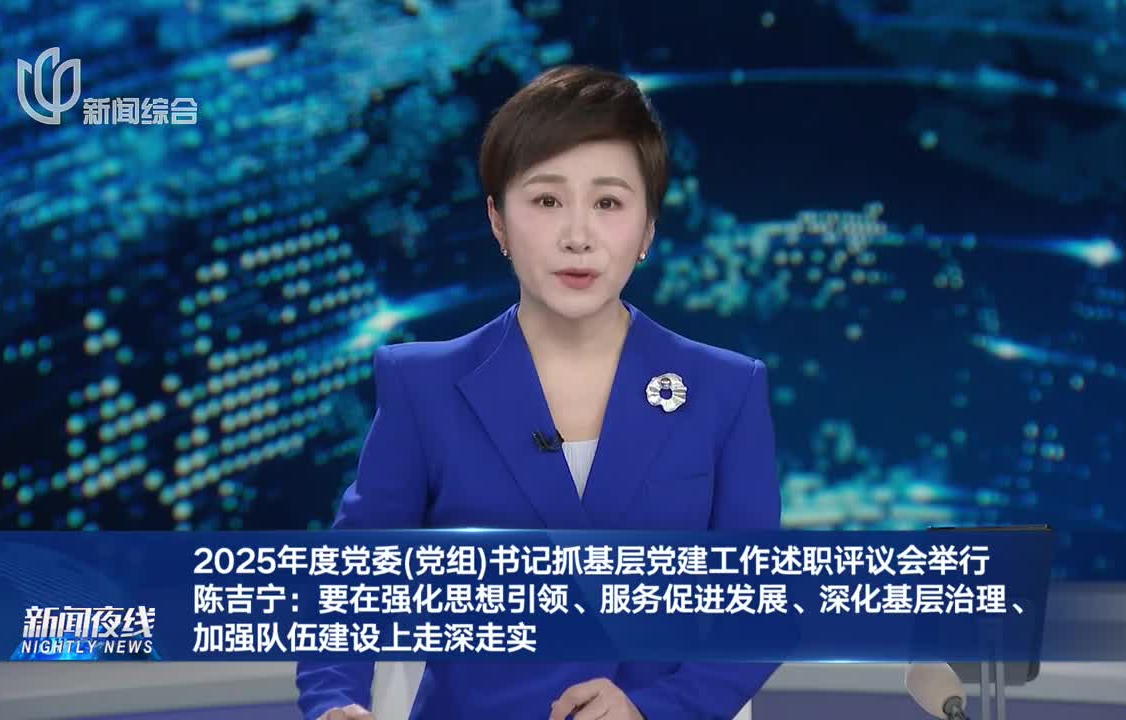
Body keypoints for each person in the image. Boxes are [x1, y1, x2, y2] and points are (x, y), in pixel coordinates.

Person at [297, 64, 781, 720]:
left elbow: (760, 607)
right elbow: (352, 577)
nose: (577, 236)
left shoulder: (725, 389)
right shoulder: (423, 385)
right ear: (498, 220)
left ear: (647, 229)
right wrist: (335, 702)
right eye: (547, 201)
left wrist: (654, 709)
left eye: (608, 204)